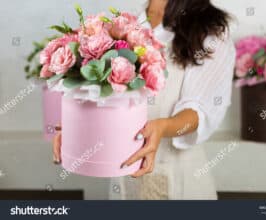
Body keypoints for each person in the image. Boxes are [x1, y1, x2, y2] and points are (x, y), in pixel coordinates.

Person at [54, 0, 236, 200]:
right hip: (123, 178)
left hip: (180, 182)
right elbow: (108, 97)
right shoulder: (121, 24)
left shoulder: (210, 31)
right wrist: (79, 126)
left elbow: (200, 110)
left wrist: (162, 127)